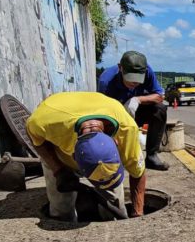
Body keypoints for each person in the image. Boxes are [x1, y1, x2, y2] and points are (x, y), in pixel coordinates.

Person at [26, 92, 147, 221]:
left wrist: (137, 213)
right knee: (61, 208)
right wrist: (58, 169)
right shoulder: (43, 123)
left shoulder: (126, 130)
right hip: (59, 149)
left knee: (115, 203)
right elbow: (35, 138)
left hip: (95, 108)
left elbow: (138, 173)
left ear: (116, 142)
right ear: (73, 156)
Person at [99, 51, 169, 171]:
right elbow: (102, 112)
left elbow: (159, 96)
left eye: (138, 79)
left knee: (160, 110)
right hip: (115, 115)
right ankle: (112, 156)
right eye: (130, 78)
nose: (134, 83)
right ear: (120, 68)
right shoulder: (106, 81)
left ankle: (151, 156)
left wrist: (138, 100)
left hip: (137, 110)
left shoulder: (147, 71)